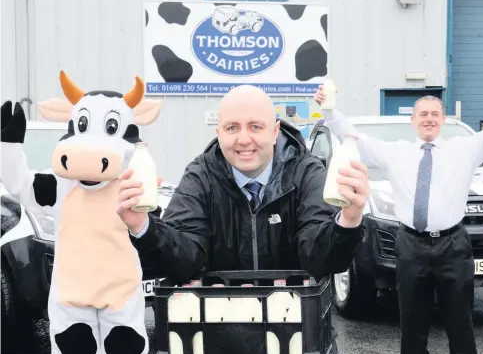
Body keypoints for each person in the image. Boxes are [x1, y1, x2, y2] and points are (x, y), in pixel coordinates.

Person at [315, 87, 483, 354]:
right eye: (423, 114)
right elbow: (352, 137)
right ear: (414, 121)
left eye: (435, 114)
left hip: (453, 243)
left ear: (443, 120)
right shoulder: (396, 153)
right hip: (410, 242)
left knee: (460, 319)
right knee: (412, 317)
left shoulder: (465, 149)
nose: (429, 119)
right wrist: (330, 110)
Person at [117, 84, 369, 295]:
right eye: (232, 128)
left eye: (255, 127)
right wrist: (143, 227)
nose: (244, 139)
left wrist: (348, 219)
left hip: (296, 326)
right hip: (217, 324)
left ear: (274, 131)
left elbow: (319, 259)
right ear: (219, 132)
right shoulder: (200, 176)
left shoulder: (306, 173)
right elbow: (186, 259)